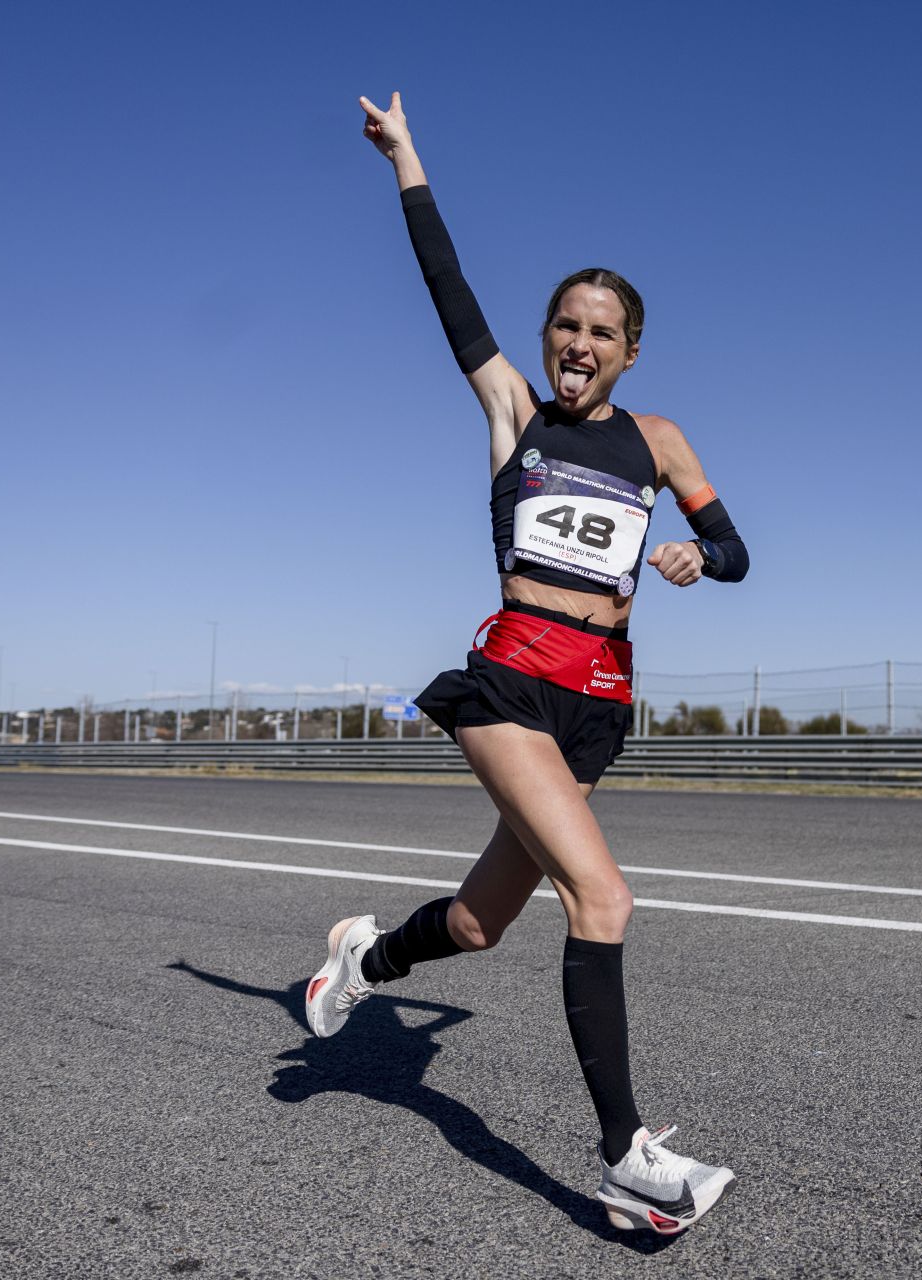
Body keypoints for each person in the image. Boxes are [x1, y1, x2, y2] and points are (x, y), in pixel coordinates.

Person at [304, 93, 751, 1236]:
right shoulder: (515, 411)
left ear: (630, 350)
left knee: (475, 926)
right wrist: (407, 160)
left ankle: (363, 953)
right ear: (546, 334)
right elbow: (446, 289)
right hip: (507, 680)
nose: (578, 344)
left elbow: (741, 550)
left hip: (596, 703)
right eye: (565, 324)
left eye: (601, 331)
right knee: (601, 896)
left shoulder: (659, 439)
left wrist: (698, 552)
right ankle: (628, 1160)